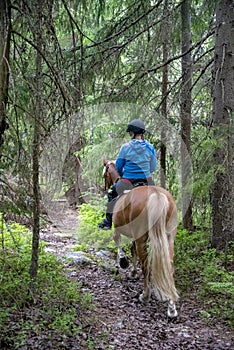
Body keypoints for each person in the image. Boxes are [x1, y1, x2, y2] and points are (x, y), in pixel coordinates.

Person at [98, 119, 157, 230]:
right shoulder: (150, 147)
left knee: (112, 194)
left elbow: (119, 167)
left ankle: (107, 222)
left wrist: (124, 173)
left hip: (128, 181)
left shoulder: (125, 147)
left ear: (131, 133)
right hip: (147, 180)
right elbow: (153, 167)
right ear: (142, 133)